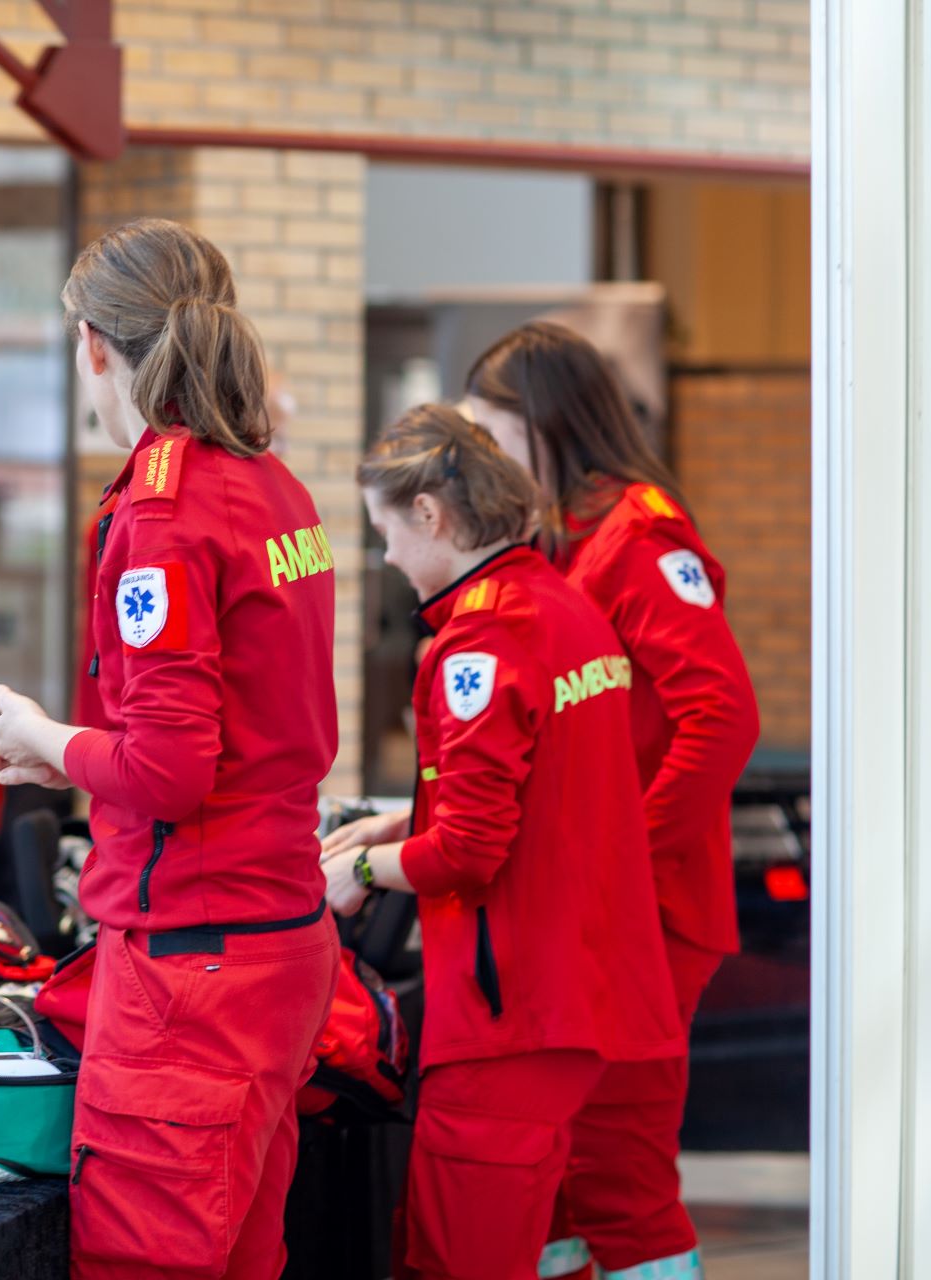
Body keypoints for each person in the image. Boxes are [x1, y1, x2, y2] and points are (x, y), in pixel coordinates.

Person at [0, 217, 341, 1280]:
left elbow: (174, 771)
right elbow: (235, 725)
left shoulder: (166, 509)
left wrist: (46, 731)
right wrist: (80, 750)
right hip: (277, 935)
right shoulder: (273, 485)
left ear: (96, 345)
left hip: (195, 960)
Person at [321, 406, 682, 1280]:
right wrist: (399, 821)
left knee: (459, 1260)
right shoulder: (557, 605)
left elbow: (474, 852)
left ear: (431, 517)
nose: (390, 558)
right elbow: (544, 791)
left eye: (386, 533)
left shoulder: (478, 641)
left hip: (511, 1014)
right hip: (579, 990)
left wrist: (358, 871)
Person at [465, 322, 759, 1280]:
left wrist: (623, 854)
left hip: (648, 914)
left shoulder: (640, 535)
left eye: (493, 433)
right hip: (593, 913)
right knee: (562, 1174)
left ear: (547, 426)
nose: (482, 458)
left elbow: (722, 718)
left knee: (618, 1173)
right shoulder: (566, 540)